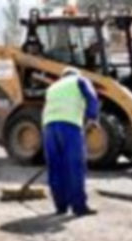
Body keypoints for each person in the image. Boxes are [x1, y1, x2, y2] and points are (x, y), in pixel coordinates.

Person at [42, 67, 99, 217]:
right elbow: (91, 97)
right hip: (69, 127)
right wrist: (92, 117)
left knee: (56, 168)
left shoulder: (52, 87)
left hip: (49, 129)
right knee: (74, 166)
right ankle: (79, 207)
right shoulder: (79, 80)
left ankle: (61, 206)